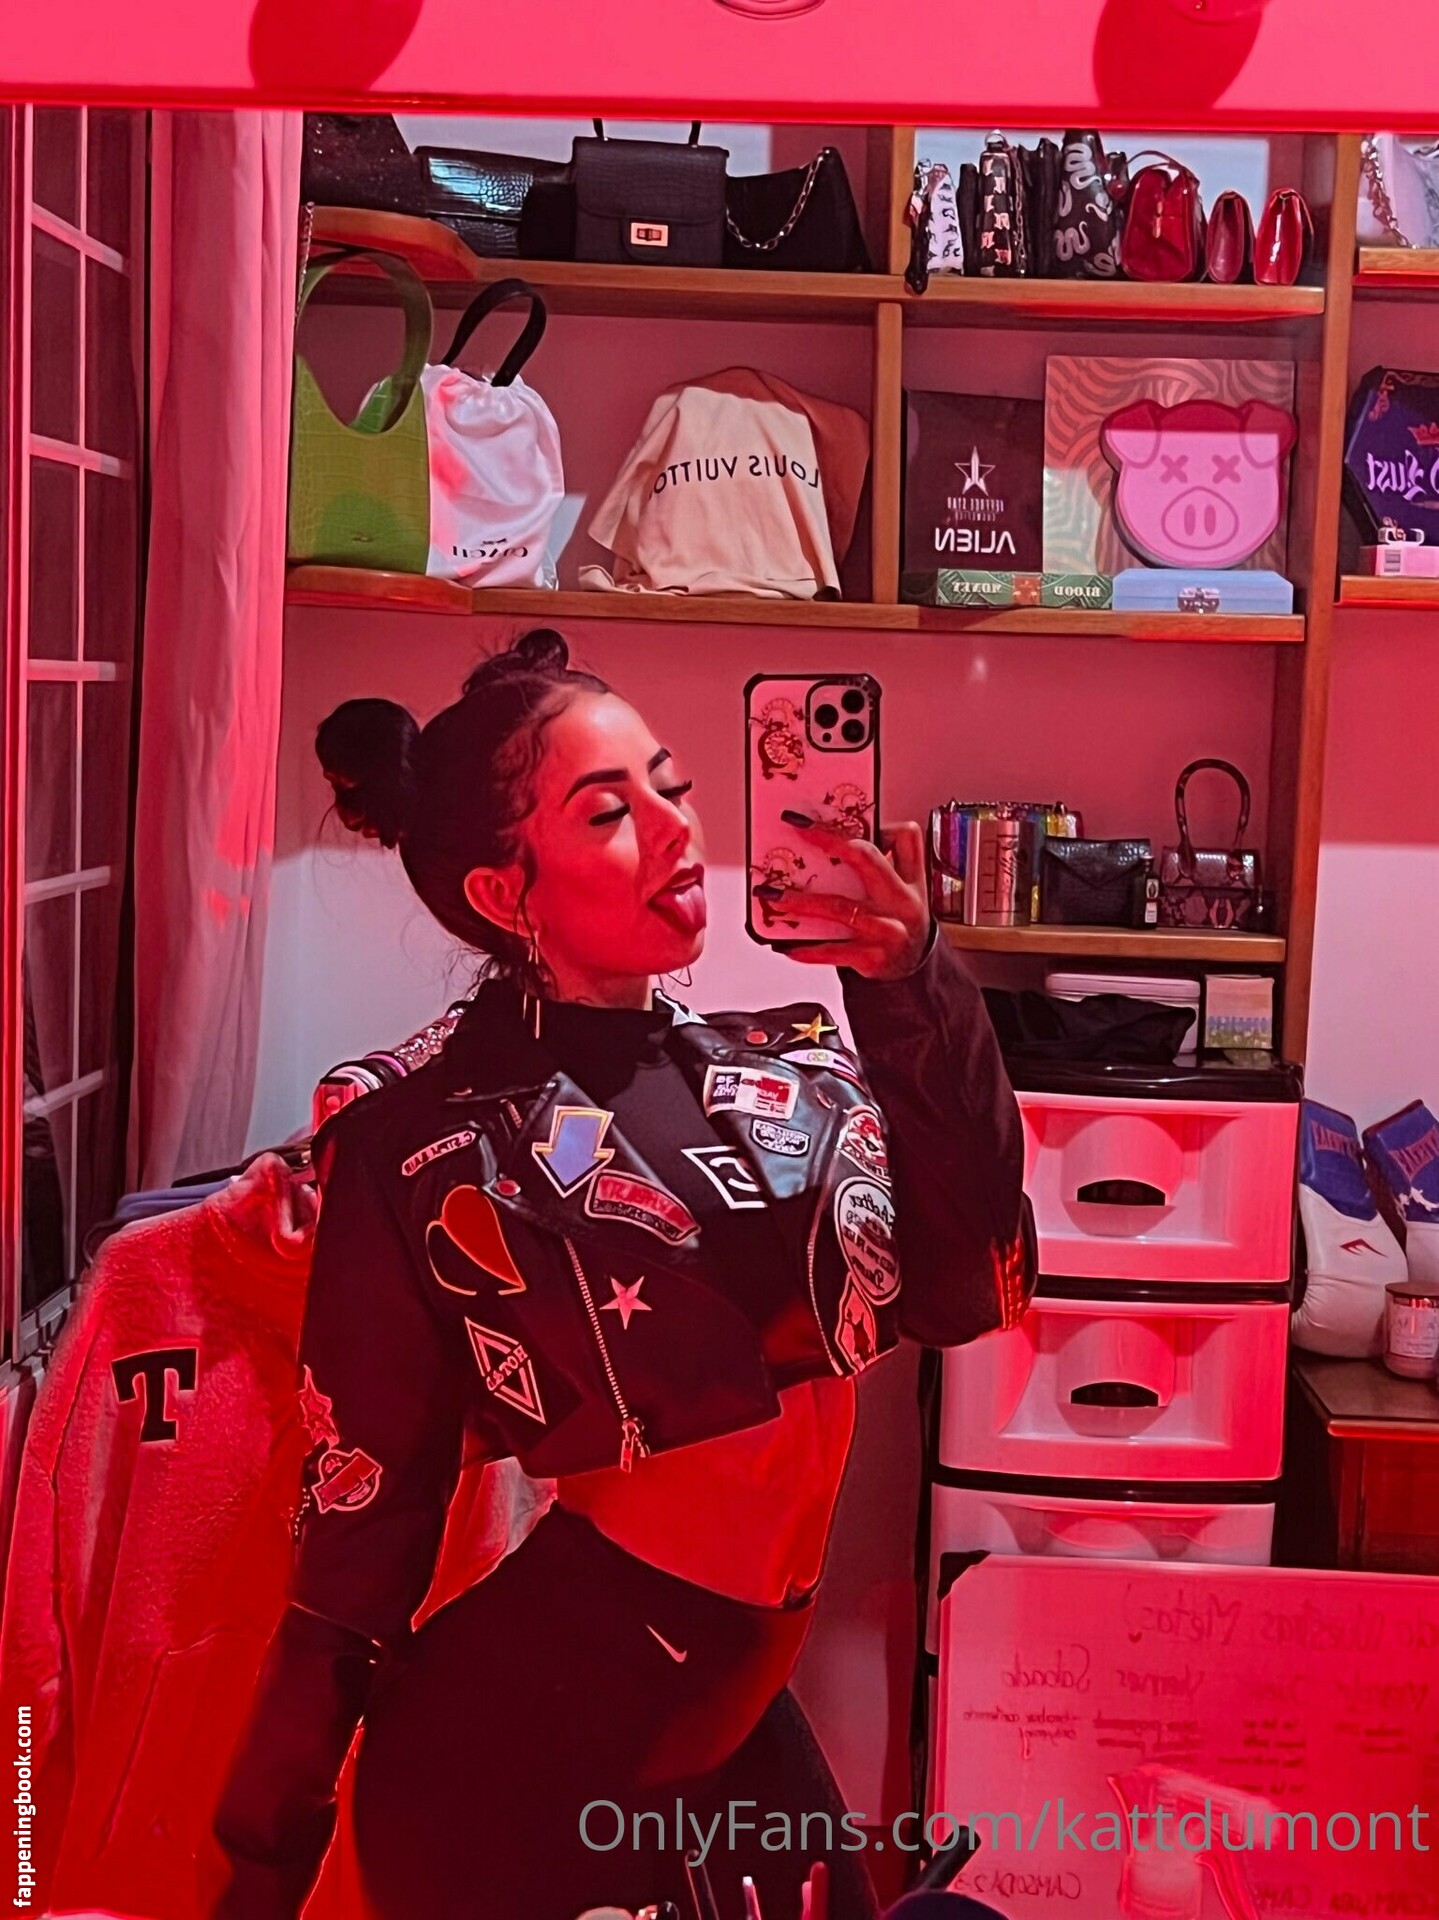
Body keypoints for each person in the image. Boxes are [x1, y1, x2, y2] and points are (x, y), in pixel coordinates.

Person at [211, 630, 1033, 1920]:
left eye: (671, 786)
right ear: (505, 892)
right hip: (518, 1751)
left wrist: (911, 982)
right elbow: (360, 1542)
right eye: (609, 811)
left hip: (731, 1710)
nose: (672, 827)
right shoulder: (428, 1142)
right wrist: (252, 1877)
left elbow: (969, 1284)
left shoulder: (785, 1070)